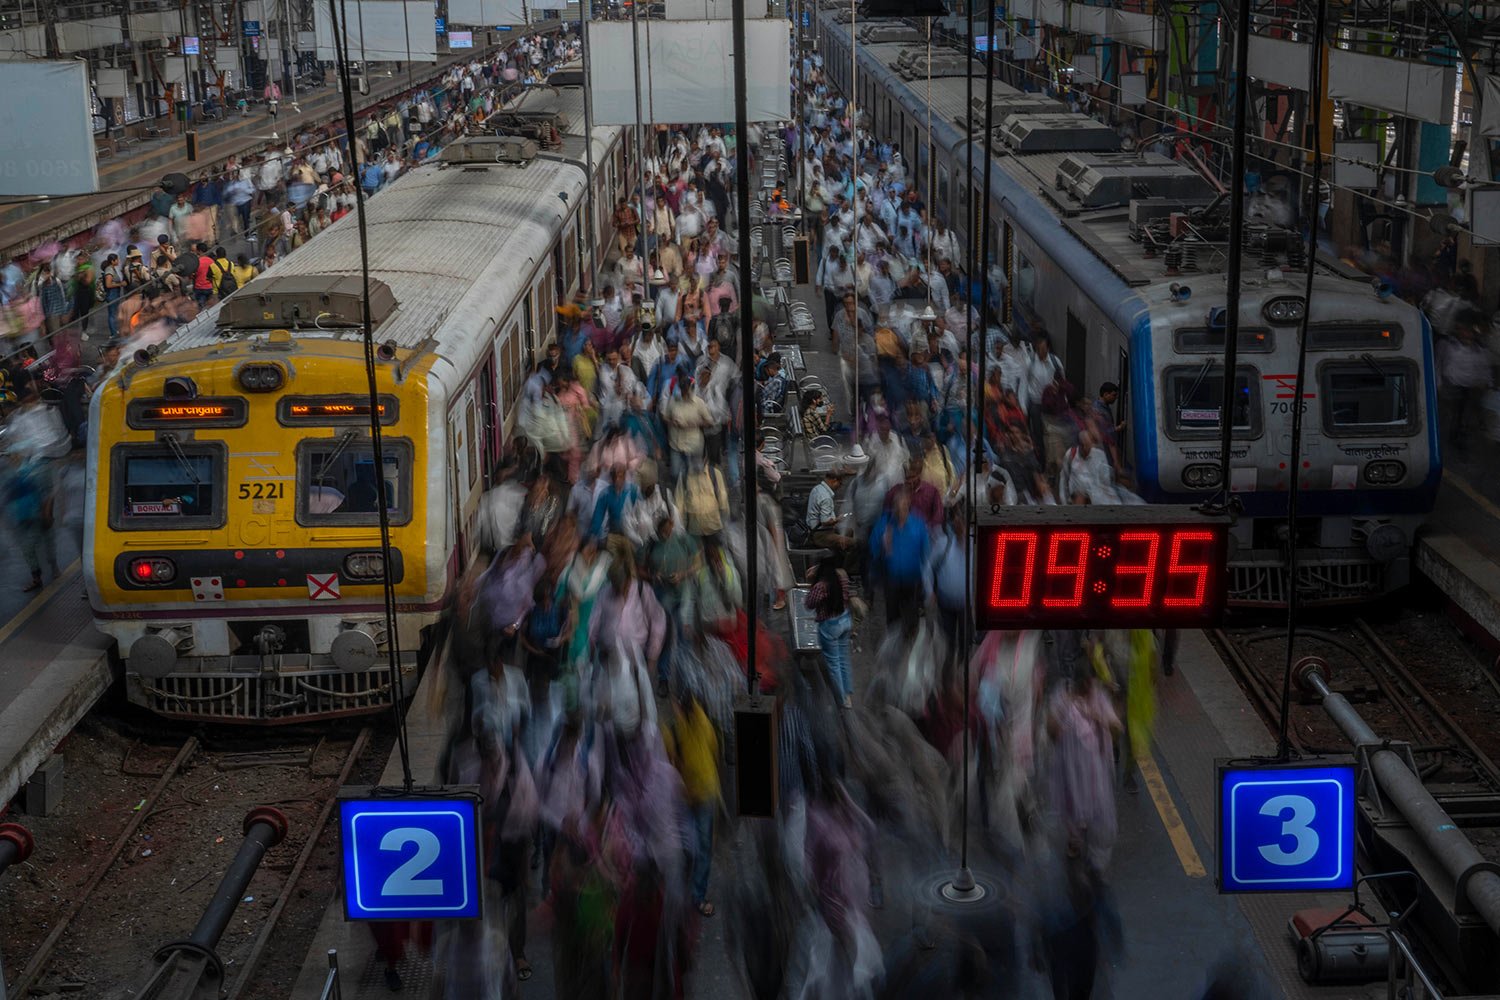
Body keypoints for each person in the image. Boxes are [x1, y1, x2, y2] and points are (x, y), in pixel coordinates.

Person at [805, 555, 855, 707]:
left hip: (830, 626)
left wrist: (812, 577)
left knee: (833, 663)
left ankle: (840, 700)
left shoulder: (821, 586)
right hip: (845, 620)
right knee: (843, 659)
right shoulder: (842, 577)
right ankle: (848, 695)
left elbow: (809, 604)